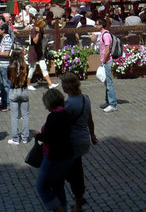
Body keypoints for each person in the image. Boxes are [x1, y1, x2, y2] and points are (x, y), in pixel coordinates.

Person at [61, 72, 97, 212]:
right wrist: (92, 134)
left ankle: (78, 202)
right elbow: (90, 119)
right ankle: (79, 197)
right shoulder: (85, 99)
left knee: (72, 172)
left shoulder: (68, 104)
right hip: (84, 139)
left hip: (73, 142)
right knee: (76, 169)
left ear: (67, 87)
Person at [34, 88, 74, 212]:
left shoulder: (53, 117)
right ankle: (64, 208)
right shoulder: (66, 114)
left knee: (41, 187)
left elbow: (49, 139)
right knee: (58, 185)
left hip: (54, 157)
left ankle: (58, 210)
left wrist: (37, 135)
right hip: (67, 155)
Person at [27, 17, 58, 91]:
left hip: (39, 51)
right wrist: (37, 33)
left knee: (43, 67)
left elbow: (42, 40)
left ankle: (50, 84)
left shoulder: (41, 30)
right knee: (32, 68)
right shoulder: (33, 30)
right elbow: (35, 41)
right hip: (33, 51)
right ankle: (28, 84)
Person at [93, 18, 117, 113]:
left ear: (101, 25)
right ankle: (108, 101)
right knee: (106, 83)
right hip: (105, 61)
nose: (96, 26)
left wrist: (103, 60)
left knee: (109, 83)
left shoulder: (106, 35)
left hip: (107, 61)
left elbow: (107, 49)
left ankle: (112, 104)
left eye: (97, 24)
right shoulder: (103, 34)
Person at [7, 50, 30, 145]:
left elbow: (8, 78)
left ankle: (15, 138)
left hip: (14, 91)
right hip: (24, 91)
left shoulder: (10, 67)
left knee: (14, 116)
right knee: (25, 116)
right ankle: (25, 137)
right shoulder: (25, 66)